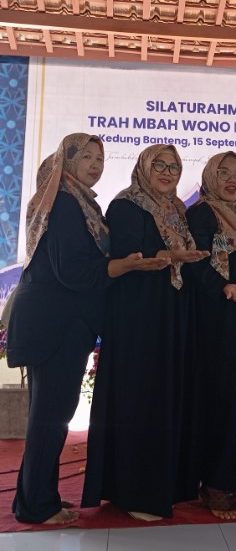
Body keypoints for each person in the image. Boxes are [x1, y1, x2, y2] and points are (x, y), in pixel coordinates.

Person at [7, 134, 158, 525]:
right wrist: (126, 266)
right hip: (54, 325)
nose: (95, 164)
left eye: (100, 158)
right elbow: (73, 271)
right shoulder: (63, 202)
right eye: (86, 156)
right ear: (66, 160)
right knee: (50, 416)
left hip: (61, 323)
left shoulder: (80, 202)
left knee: (51, 414)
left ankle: (37, 498)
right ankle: (36, 506)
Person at [82, 144, 208, 521]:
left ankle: (168, 485)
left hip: (170, 313)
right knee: (141, 397)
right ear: (143, 168)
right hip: (138, 317)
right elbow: (128, 256)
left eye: (174, 167)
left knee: (165, 396)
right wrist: (169, 256)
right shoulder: (126, 206)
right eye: (159, 165)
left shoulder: (177, 209)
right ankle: (136, 492)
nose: (167, 173)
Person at [186, 152, 236, 520]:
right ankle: (219, 489)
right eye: (224, 172)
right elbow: (196, 262)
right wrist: (224, 286)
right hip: (218, 320)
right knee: (224, 401)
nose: (232, 179)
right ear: (210, 176)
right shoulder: (202, 214)